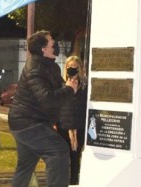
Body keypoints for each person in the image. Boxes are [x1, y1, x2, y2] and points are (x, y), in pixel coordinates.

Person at [8, 30, 78, 187]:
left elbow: (58, 90)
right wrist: (68, 89)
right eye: (52, 43)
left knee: (25, 166)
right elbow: (47, 98)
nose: (56, 45)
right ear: (43, 49)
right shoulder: (36, 68)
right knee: (58, 151)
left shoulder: (48, 66)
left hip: (28, 122)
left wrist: (70, 85)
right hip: (28, 123)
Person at [56, 55, 88, 185]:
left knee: (75, 158)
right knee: (62, 158)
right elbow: (56, 104)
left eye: (75, 67)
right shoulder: (60, 84)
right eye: (69, 67)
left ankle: (74, 182)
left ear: (80, 68)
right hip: (63, 127)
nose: (72, 70)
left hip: (79, 127)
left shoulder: (85, 86)